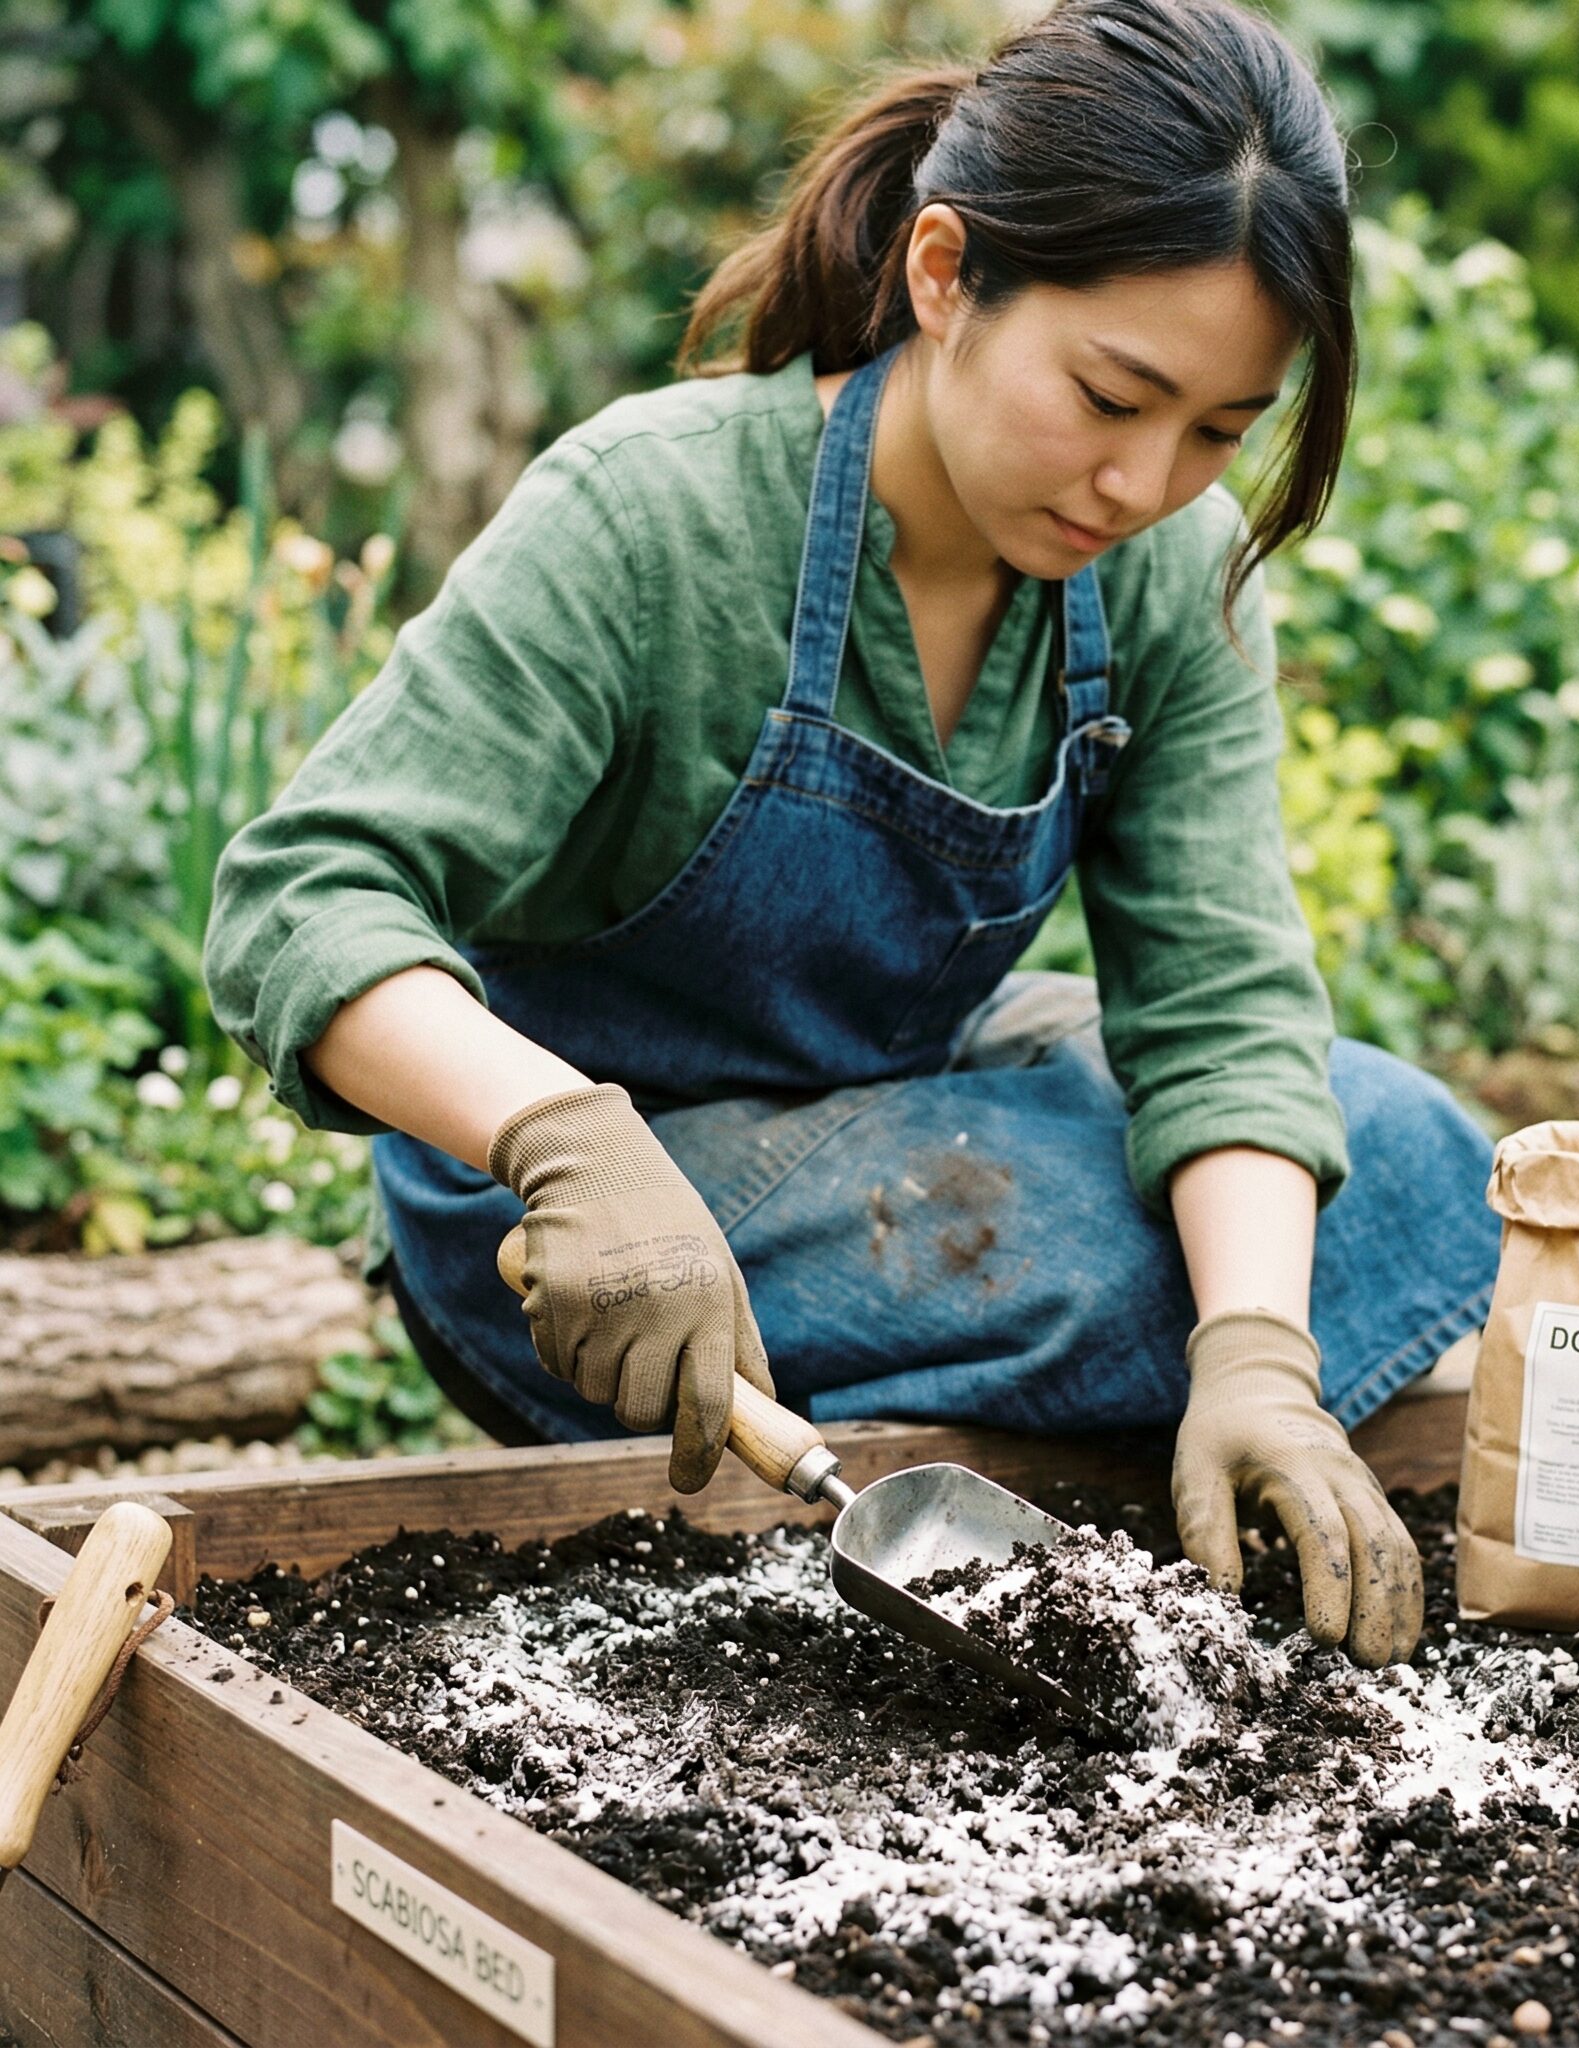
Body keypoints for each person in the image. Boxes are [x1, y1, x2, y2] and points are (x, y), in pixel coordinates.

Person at [203, 0, 1501, 1668]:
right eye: (1112, 394)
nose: (1141, 483)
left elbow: (1228, 1006)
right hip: (599, 1224)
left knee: (1404, 1151)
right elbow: (299, 894)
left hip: (881, 1125)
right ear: (946, 274)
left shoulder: (1162, 583)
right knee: (1158, 1239)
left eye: (1217, 433)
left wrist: (1261, 1352)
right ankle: (866, 1375)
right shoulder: (654, 517)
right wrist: (556, 1139)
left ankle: (1132, 1380)